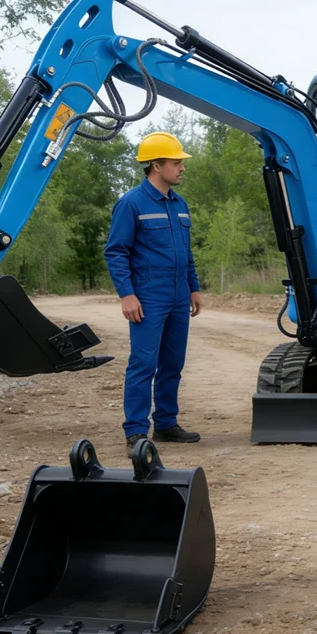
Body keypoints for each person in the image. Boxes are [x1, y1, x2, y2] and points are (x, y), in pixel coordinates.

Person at [104, 132, 205, 457]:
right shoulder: (131, 203)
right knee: (143, 363)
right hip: (148, 296)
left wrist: (193, 286)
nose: (181, 168)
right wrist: (127, 295)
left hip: (178, 295)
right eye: (176, 163)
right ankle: (135, 431)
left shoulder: (179, 203)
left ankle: (165, 423)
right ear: (156, 165)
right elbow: (116, 252)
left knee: (173, 362)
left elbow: (185, 252)